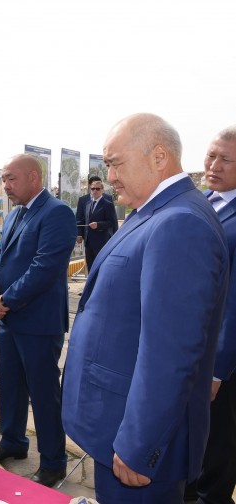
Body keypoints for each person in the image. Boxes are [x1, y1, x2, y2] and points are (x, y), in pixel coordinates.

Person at [62, 113, 229, 503]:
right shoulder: (156, 210)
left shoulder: (180, 223)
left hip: (135, 448)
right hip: (115, 423)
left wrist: (140, 444)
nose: (110, 176)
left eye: (116, 163)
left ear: (158, 157)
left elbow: (170, 353)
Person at [0, 154, 76, 487]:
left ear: (34, 177)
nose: (5, 186)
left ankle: (53, 462)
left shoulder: (57, 213)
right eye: (3, 179)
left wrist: (6, 300)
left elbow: (45, 267)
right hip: (9, 321)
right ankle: (13, 442)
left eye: (11, 179)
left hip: (38, 323)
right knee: (9, 386)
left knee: (43, 394)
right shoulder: (15, 215)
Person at [189, 125, 236, 504]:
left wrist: (219, 369)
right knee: (192, 437)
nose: (213, 165)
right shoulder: (204, 201)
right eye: (211, 155)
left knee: (219, 442)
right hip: (191, 346)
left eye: (226, 160)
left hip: (222, 361)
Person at [76, 178, 118, 271]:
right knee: (90, 268)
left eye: (97, 189)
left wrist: (98, 225)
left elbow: (112, 222)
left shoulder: (107, 204)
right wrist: (79, 234)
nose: (95, 191)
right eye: (93, 189)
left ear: (102, 190)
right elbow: (82, 219)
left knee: (100, 268)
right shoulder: (88, 204)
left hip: (101, 242)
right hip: (88, 243)